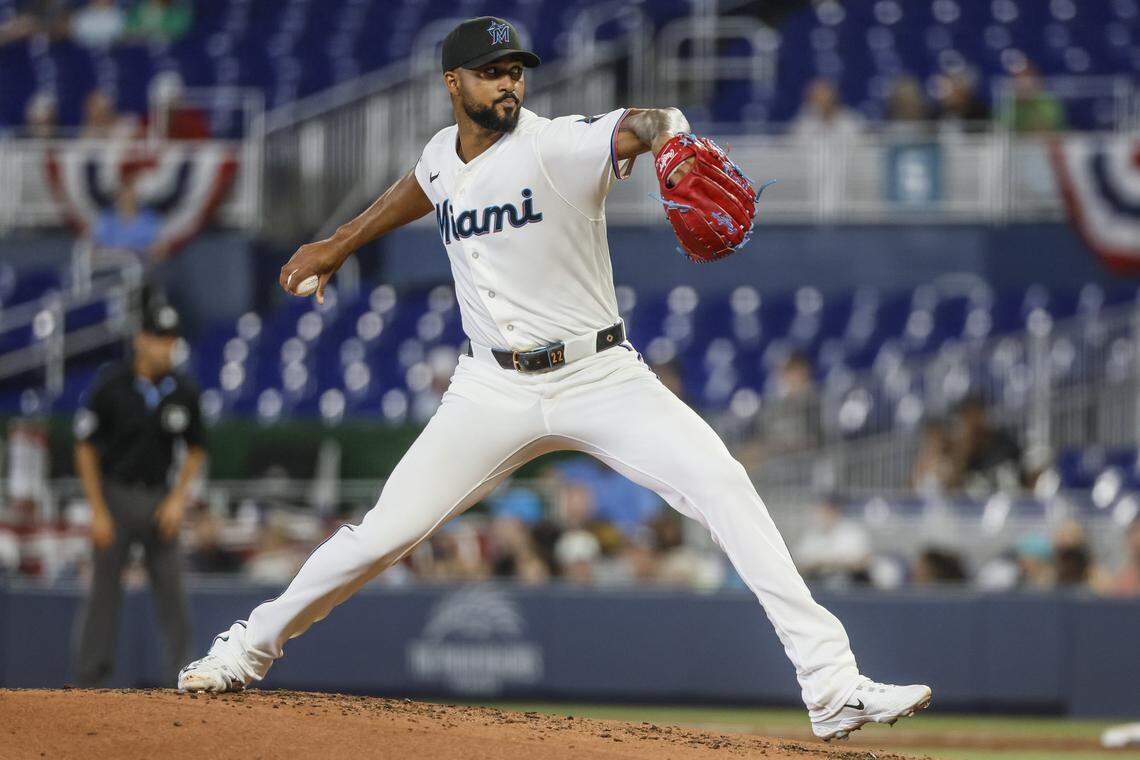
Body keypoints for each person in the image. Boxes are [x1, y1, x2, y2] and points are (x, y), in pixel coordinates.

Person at [177, 16, 932, 742]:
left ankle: (832, 686)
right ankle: (245, 649)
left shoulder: (557, 147)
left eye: (516, 72)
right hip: (490, 390)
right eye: (493, 73)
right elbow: (422, 184)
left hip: (600, 374)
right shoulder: (444, 152)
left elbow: (635, 122)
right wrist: (339, 243)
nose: (509, 85)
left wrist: (668, 130)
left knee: (723, 483)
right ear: (454, 83)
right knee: (381, 535)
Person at [72, 300, 206, 685]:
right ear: (141, 339)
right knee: (103, 593)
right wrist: (97, 510)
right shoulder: (112, 383)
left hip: (159, 500)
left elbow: (197, 448)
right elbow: (85, 446)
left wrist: (178, 498)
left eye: (172, 339)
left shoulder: (182, 389)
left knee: (173, 596)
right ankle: (88, 679)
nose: (167, 346)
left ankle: (182, 678)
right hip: (115, 497)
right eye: (159, 338)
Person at [791, 78, 863, 140]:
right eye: (816, 98)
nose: (821, 101)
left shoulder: (850, 121)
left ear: (834, 97)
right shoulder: (804, 124)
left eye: (824, 96)